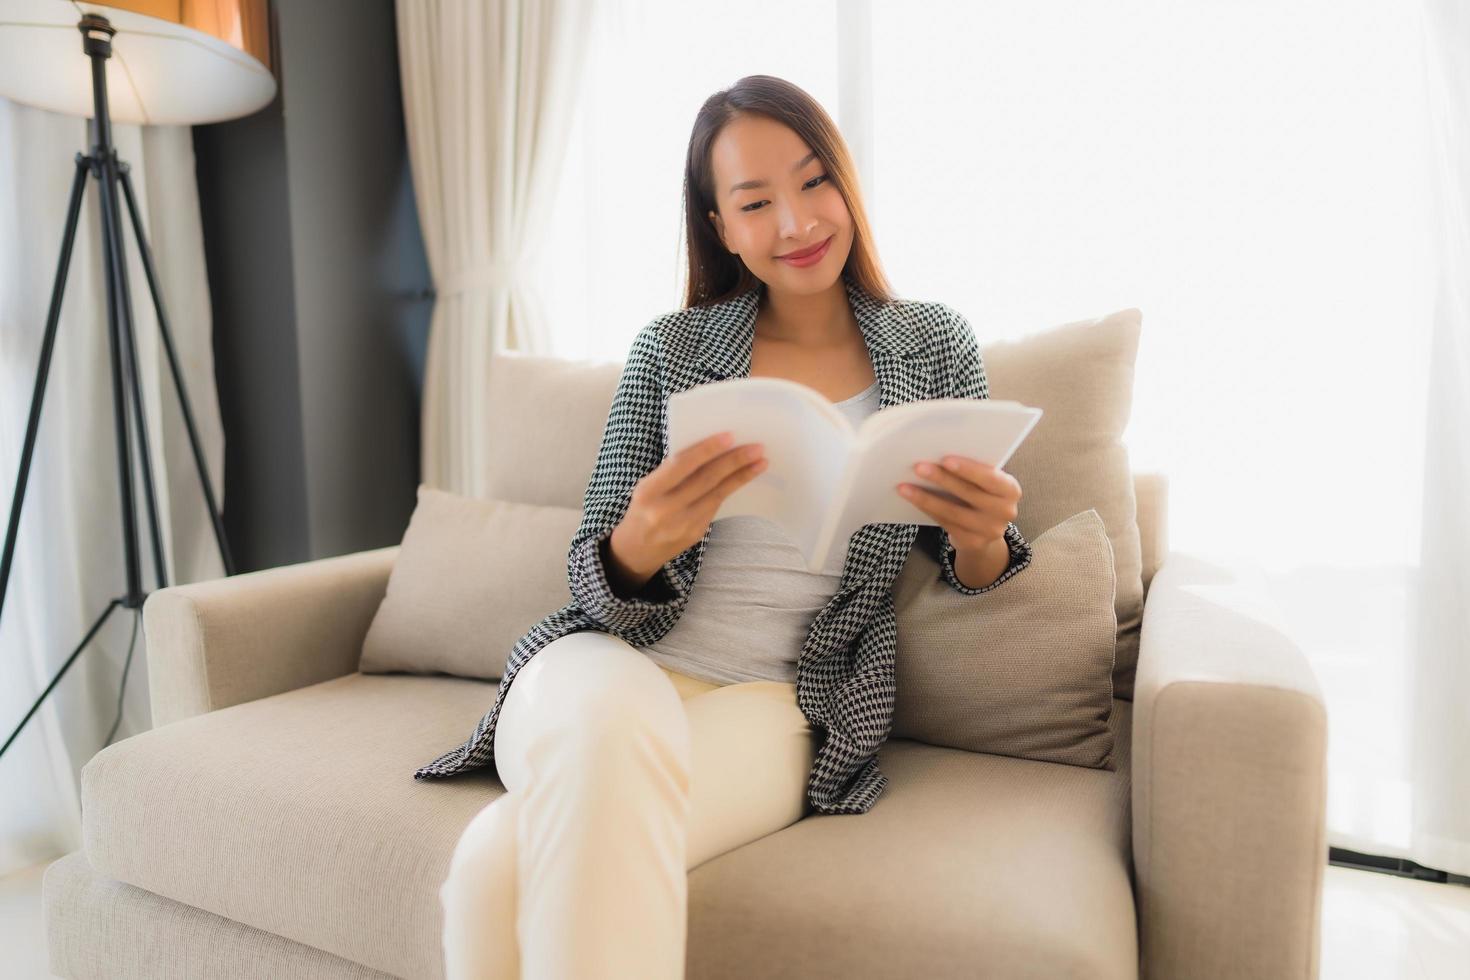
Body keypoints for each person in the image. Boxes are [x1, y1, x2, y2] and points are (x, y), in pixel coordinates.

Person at [426, 74, 1034, 980]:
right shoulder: (671, 352)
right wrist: (641, 544)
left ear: (847, 183)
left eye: (813, 182)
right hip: (603, 669)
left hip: (777, 703)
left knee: (490, 867)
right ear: (721, 227)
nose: (795, 223)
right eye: (755, 201)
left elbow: (972, 567)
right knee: (607, 733)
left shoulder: (934, 343)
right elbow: (591, 578)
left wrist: (984, 536)